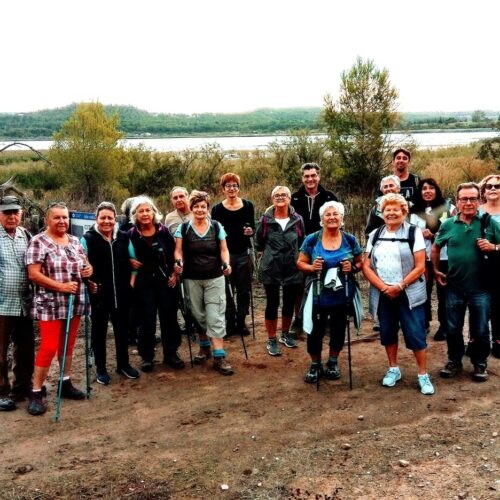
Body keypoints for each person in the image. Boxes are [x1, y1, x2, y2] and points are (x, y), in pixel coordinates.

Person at [25, 202, 93, 416]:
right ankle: (36, 391)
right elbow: (34, 274)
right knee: (49, 346)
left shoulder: (74, 240)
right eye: (57, 218)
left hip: (74, 302)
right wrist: (61, 286)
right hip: (50, 303)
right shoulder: (38, 242)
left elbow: (84, 265)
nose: (62, 221)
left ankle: (65, 382)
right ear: (48, 220)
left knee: (68, 345)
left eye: (65, 217)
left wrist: (89, 270)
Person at [363, 193, 434, 395]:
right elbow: (366, 266)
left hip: (409, 292)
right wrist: (384, 288)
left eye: (396, 209)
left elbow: (420, 266)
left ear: (404, 212)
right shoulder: (375, 234)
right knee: (387, 332)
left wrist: (400, 286)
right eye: (387, 210)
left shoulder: (414, 232)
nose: (391, 213)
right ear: (381, 213)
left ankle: (423, 374)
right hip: (384, 293)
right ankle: (393, 369)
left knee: (415, 333)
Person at [433, 182, 500, 382]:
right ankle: (454, 360)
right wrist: (436, 270)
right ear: (457, 201)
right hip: (454, 286)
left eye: (472, 198)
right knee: (453, 328)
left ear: (479, 200)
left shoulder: (489, 223)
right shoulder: (448, 225)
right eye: (464, 199)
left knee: (480, 328)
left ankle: (480, 363)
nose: (468, 203)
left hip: (481, 287)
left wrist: (493, 247)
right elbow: (436, 248)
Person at [297, 201, 362, 383]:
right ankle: (315, 363)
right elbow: (300, 262)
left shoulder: (350, 239)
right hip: (318, 294)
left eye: (335, 214)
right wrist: (312, 267)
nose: (332, 217)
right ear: (322, 219)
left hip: (342, 294)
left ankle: (333, 362)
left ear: (341, 219)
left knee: (339, 329)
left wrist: (353, 268)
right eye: (328, 214)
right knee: (315, 331)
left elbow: (360, 262)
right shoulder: (312, 239)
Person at [173, 191, 234, 375]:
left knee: (215, 314)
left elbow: (224, 249)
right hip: (192, 278)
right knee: (197, 313)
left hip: (214, 277)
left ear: (208, 208)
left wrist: (226, 263)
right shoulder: (183, 229)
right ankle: (204, 346)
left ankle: (219, 356)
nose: (200, 210)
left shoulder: (216, 227)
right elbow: (178, 250)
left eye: (203, 206)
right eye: (196, 207)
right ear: (191, 209)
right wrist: (178, 262)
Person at [81, 202, 140, 385]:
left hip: (122, 292)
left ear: (116, 219)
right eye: (102, 218)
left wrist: (131, 285)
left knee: (122, 330)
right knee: (99, 331)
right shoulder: (88, 238)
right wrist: (89, 282)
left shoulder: (123, 237)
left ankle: (123, 364)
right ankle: (101, 368)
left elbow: (134, 264)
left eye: (110, 218)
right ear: (96, 219)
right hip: (99, 294)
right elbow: (82, 266)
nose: (106, 221)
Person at [128, 196, 183, 373]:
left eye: (147, 210)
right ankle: (147, 356)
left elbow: (176, 253)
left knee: (169, 317)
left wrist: (175, 272)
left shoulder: (164, 231)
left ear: (153, 212)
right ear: (135, 215)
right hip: (144, 282)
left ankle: (171, 353)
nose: (144, 214)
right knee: (146, 319)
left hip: (165, 280)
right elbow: (122, 254)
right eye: (140, 211)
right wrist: (129, 260)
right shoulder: (130, 234)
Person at [256, 186, 305, 356]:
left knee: (289, 303)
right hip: (271, 267)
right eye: (276, 195)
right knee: (272, 303)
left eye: (284, 195)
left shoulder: (298, 219)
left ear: (290, 199)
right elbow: (259, 242)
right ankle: (271, 339)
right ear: (272, 199)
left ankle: (285, 334)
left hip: (292, 267)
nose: (280, 197)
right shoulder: (265, 219)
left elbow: (301, 241)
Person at [290, 162, 337, 335]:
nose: (310, 179)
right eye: (306, 176)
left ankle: (325, 318)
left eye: (313, 175)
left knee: (325, 282)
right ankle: (299, 318)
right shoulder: (294, 198)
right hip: (300, 247)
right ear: (302, 178)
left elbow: (337, 221)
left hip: (324, 246)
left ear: (319, 176)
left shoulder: (329, 197)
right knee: (298, 284)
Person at [0, 196, 34, 412]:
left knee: (26, 348)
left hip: (24, 302)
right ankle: (2, 393)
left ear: (21, 214)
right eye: (6, 213)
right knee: (0, 351)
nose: (12, 216)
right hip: (1, 304)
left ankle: (22, 387)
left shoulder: (26, 235)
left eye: (15, 213)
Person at [410, 178, 455, 340]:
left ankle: (445, 325)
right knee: (424, 291)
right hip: (422, 258)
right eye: (424, 189)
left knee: (444, 292)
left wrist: (435, 235)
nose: (427, 191)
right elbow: (409, 233)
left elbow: (454, 229)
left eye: (431, 188)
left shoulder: (448, 208)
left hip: (444, 257)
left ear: (437, 190)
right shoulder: (413, 211)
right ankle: (424, 323)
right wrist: (419, 235)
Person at [211, 173, 255, 336]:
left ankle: (242, 321)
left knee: (244, 289)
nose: (232, 188)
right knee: (226, 289)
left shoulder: (248, 205)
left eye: (235, 185)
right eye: (228, 186)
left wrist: (251, 231)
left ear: (239, 188)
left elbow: (252, 228)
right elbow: (215, 233)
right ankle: (229, 321)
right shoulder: (216, 209)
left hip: (244, 252)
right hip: (225, 255)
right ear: (223, 189)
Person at [478, 174, 500, 358]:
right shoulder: (476, 210)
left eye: (497, 186)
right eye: (489, 186)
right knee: (479, 304)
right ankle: (475, 340)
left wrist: (495, 247)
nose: (493, 189)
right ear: (483, 191)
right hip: (479, 265)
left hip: (498, 263)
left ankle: (498, 340)